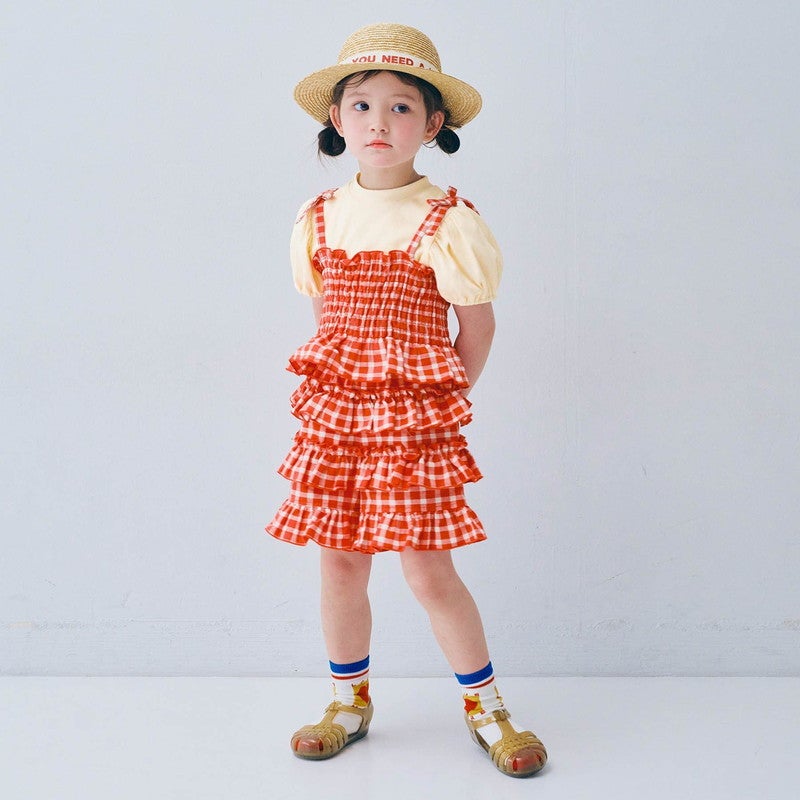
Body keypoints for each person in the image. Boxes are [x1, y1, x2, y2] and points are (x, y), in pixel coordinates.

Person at [266, 22, 547, 778]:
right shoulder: (318, 216)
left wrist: (435, 408)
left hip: (413, 424)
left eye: (400, 107)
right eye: (362, 106)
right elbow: (327, 323)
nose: (379, 123)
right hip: (338, 422)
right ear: (337, 119)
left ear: (432, 123)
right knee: (340, 563)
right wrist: (342, 399)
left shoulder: (447, 219)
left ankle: (486, 708)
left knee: (428, 573)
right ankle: (347, 702)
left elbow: (477, 328)